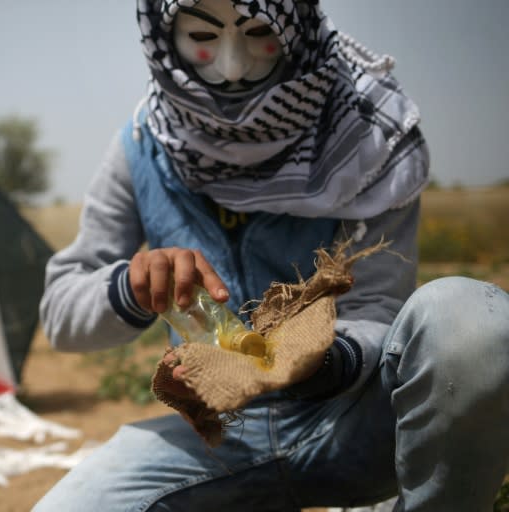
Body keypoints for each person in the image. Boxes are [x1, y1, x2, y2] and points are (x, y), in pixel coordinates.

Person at [35, 1, 509, 511]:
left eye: (259, 31)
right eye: (204, 35)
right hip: (220, 440)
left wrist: (320, 360)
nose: (232, 66)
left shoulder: (366, 138)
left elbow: (378, 308)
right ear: (163, 34)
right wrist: (129, 287)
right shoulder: (142, 145)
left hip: (354, 421)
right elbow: (61, 314)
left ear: (296, 29)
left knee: (469, 319)